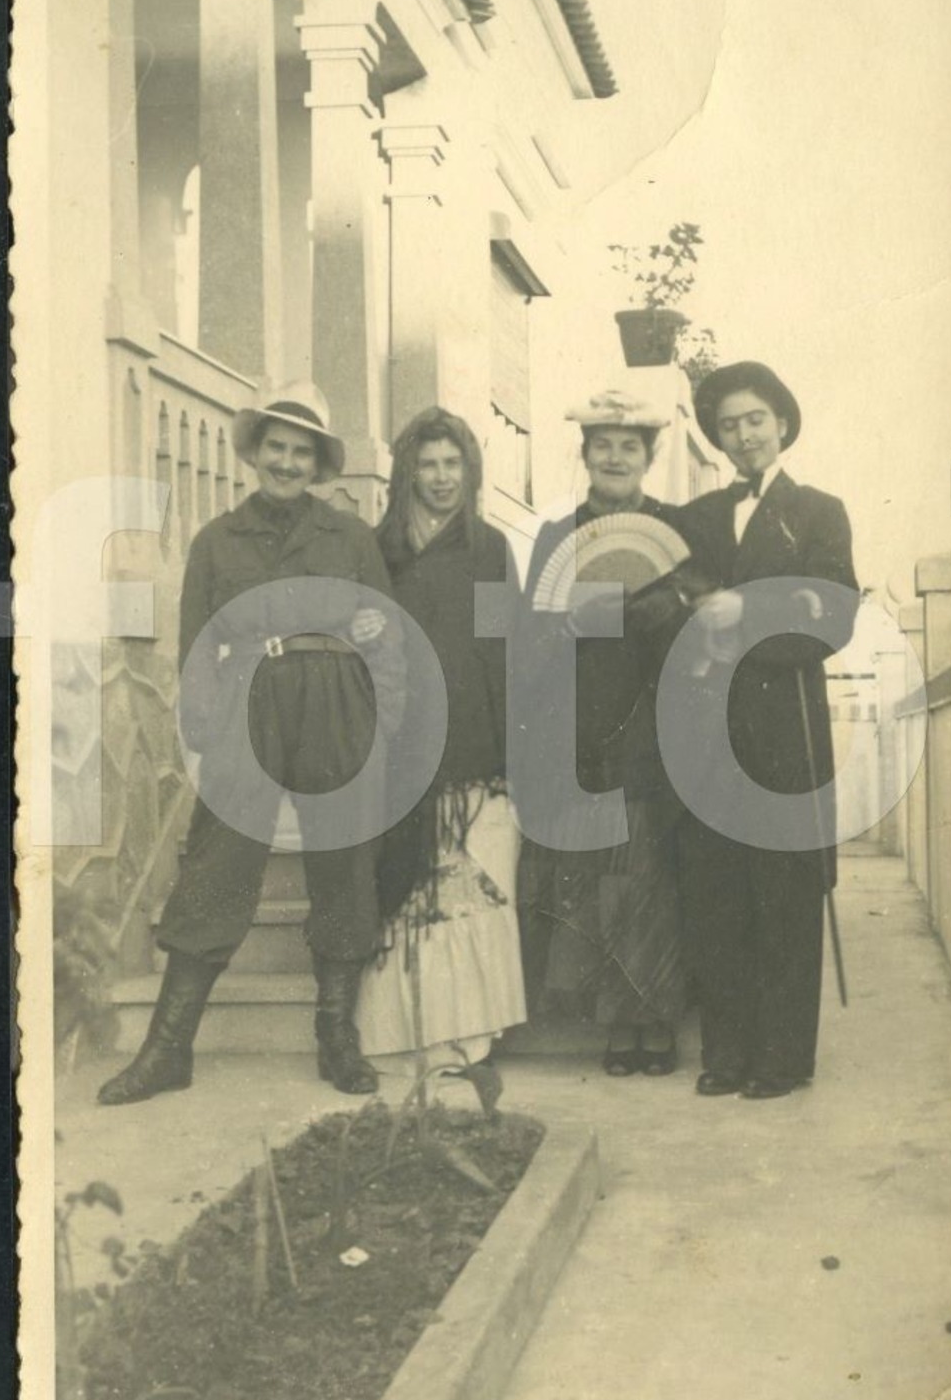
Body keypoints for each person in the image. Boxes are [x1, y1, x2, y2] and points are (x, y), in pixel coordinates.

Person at [98, 382, 404, 1105]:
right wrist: (203, 728)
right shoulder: (217, 540)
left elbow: (387, 631)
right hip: (249, 702)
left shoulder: (349, 537)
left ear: (319, 462)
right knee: (217, 863)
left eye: (302, 451)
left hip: (336, 703)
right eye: (276, 447)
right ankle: (168, 1047)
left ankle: (338, 1039)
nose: (287, 462)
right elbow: (199, 639)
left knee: (344, 862)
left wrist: (384, 720)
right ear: (255, 453)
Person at [661, 361, 859, 1099]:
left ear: (780, 423)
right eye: (727, 424)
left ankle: (781, 1058)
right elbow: (668, 596)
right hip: (709, 729)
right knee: (716, 889)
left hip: (784, 726)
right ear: (714, 436)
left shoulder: (816, 513)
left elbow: (831, 613)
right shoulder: (698, 519)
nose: (741, 433)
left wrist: (742, 611)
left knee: (781, 888)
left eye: (753, 419)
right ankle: (727, 1051)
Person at [516, 390, 702, 1077]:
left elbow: (696, 628)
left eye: (629, 446)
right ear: (585, 454)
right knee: (598, 884)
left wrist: (662, 613)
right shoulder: (554, 537)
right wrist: (570, 621)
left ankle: (657, 1023)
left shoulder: (674, 531)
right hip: (582, 723)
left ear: (648, 458)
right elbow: (532, 629)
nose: (615, 457)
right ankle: (615, 1028)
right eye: (603, 445)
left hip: (653, 725)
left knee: (649, 879)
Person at [355, 407, 527, 1072]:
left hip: (474, 749)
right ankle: (407, 1039)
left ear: (469, 470)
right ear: (406, 472)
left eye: (452, 463)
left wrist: (508, 753)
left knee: (472, 889)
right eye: (427, 464)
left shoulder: (487, 550)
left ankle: (472, 1038)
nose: (440, 477)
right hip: (400, 747)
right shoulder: (379, 549)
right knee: (407, 890)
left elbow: (500, 652)